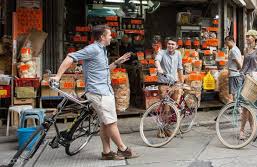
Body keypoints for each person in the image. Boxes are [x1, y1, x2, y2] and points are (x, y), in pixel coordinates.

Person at [50, 25, 138, 160]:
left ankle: (107, 152)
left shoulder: (102, 50)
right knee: (111, 123)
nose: (111, 37)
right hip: (99, 93)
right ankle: (123, 149)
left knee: (104, 122)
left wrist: (117, 62)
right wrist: (57, 76)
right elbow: (70, 57)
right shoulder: (92, 49)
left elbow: (103, 70)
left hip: (104, 91)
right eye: (109, 35)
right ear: (102, 37)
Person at [155, 37, 184, 138]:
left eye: (173, 44)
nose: (170, 46)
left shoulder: (178, 54)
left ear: (176, 46)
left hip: (174, 84)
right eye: (169, 44)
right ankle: (161, 130)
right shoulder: (161, 52)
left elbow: (180, 68)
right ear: (166, 45)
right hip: (164, 84)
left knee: (172, 107)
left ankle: (167, 128)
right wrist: (159, 68)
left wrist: (182, 81)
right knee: (165, 107)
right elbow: (157, 60)